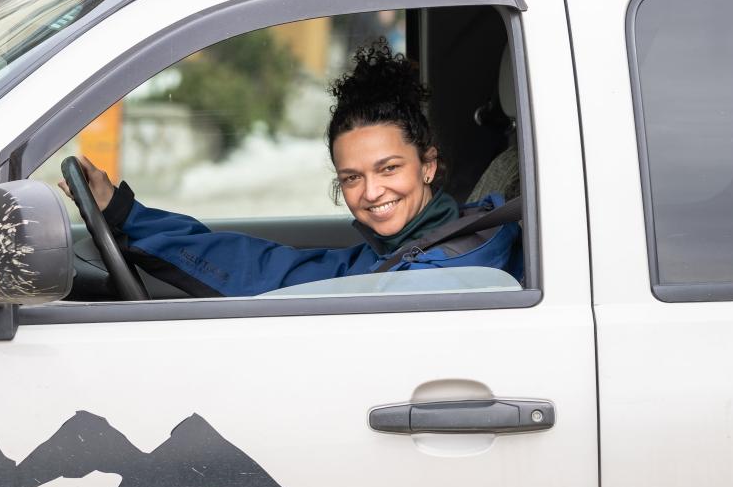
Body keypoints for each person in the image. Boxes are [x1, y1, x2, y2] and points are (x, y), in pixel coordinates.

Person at [64, 39, 521, 298]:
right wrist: (127, 216)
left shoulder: (442, 274)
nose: (372, 192)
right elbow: (277, 269)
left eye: (388, 168)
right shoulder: (405, 251)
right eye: (352, 177)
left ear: (428, 165)